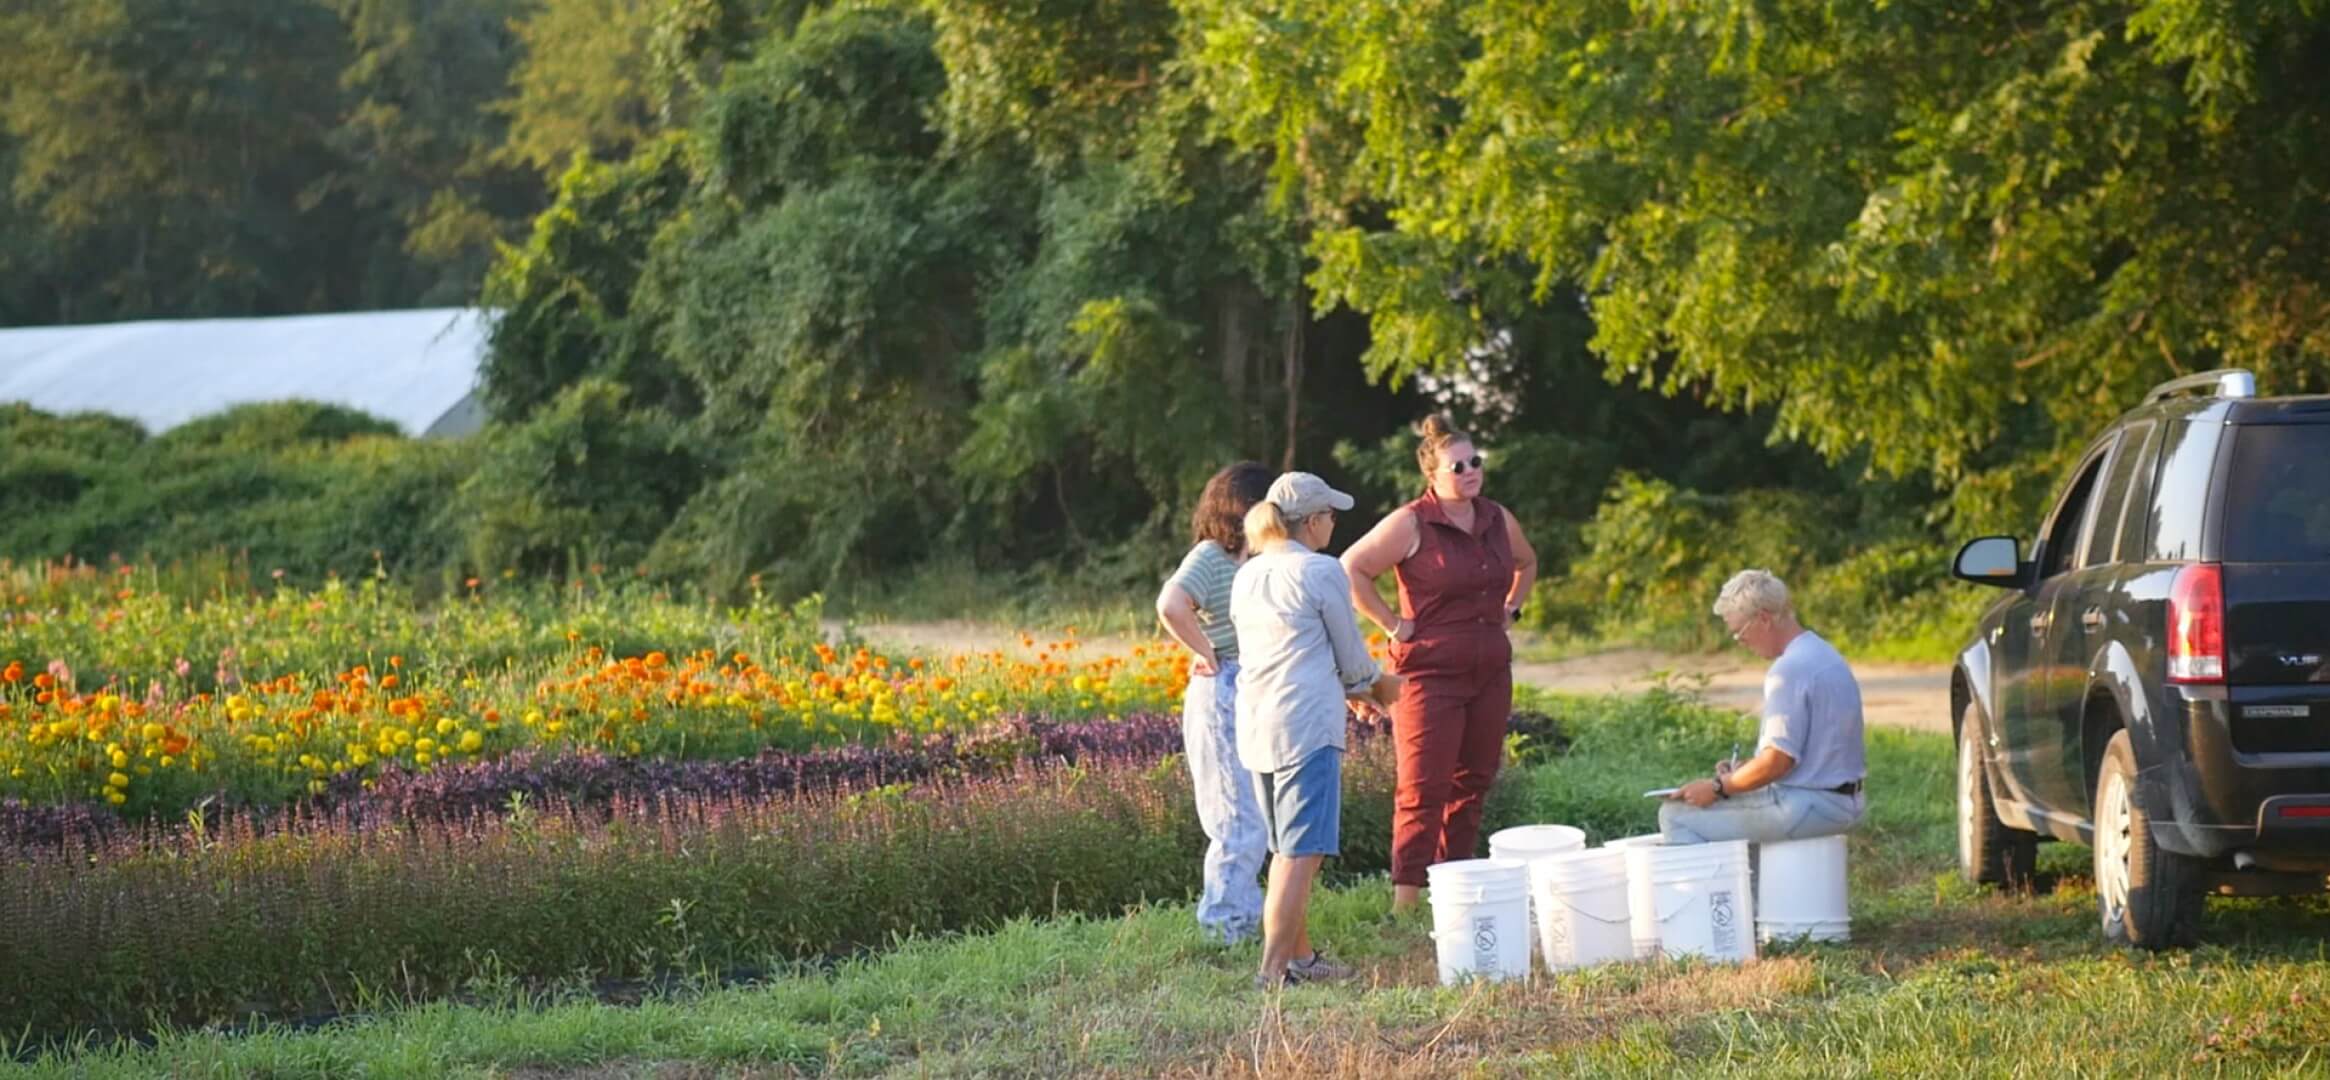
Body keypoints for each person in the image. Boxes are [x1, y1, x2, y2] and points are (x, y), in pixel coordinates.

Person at [1341, 415, 1537, 915]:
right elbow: (1353, 568)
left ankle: (1457, 891)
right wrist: (1391, 623)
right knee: (1423, 787)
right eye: (1459, 466)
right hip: (1427, 673)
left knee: (1473, 780)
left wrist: (1511, 609)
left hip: (1490, 669)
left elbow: (1527, 563)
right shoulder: (1411, 521)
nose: (1471, 471)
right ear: (1433, 475)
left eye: (1476, 462)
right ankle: (1405, 904)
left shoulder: (1496, 517)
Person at [1231, 471, 1402, 988]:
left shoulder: (1249, 573)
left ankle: (1302, 959)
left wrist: (1351, 692)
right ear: (1310, 521)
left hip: (1259, 726)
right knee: (1299, 855)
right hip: (1306, 728)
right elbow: (1351, 656)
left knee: (1285, 848)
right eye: (1330, 515)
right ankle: (1274, 972)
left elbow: (1290, 649)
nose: (1334, 523)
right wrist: (1377, 686)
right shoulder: (1322, 571)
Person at [1155, 461, 1276, 944]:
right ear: (1244, 507)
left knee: (1259, 819)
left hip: (1252, 686)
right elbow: (1171, 604)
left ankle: (1245, 923)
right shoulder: (1211, 555)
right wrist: (1205, 652)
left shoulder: (1257, 559)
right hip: (1222, 684)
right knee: (1235, 819)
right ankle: (1224, 932)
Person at [1660, 569, 1867, 844]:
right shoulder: (1822, 652)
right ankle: (1752, 884)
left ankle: (1732, 888)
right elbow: (1809, 751)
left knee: (1675, 815)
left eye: (1740, 633)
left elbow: (1776, 763)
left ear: (1764, 619)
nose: (1740, 642)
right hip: (1844, 799)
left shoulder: (1789, 670)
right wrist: (1745, 771)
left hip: (1810, 805)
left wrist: (1718, 787)